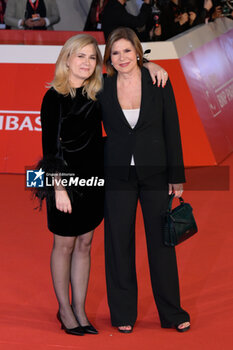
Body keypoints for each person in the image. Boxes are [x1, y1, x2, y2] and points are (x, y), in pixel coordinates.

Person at [99, 27, 190, 333]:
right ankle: (123, 313)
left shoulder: (158, 80)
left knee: (162, 245)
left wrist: (177, 175)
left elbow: (172, 128)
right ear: (108, 57)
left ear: (138, 51)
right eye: (115, 52)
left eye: (127, 51)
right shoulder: (102, 86)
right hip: (117, 176)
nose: (122, 58)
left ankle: (172, 313)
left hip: (156, 174)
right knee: (118, 245)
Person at [36, 34, 105, 336]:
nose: (87, 63)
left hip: (94, 179)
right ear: (67, 59)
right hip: (65, 180)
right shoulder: (54, 97)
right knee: (64, 244)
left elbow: (131, 69)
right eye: (81, 56)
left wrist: (153, 66)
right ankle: (64, 309)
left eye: (92, 57)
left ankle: (80, 307)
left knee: (85, 244)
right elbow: (50, 149)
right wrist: (59, 188)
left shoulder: (98, 94)